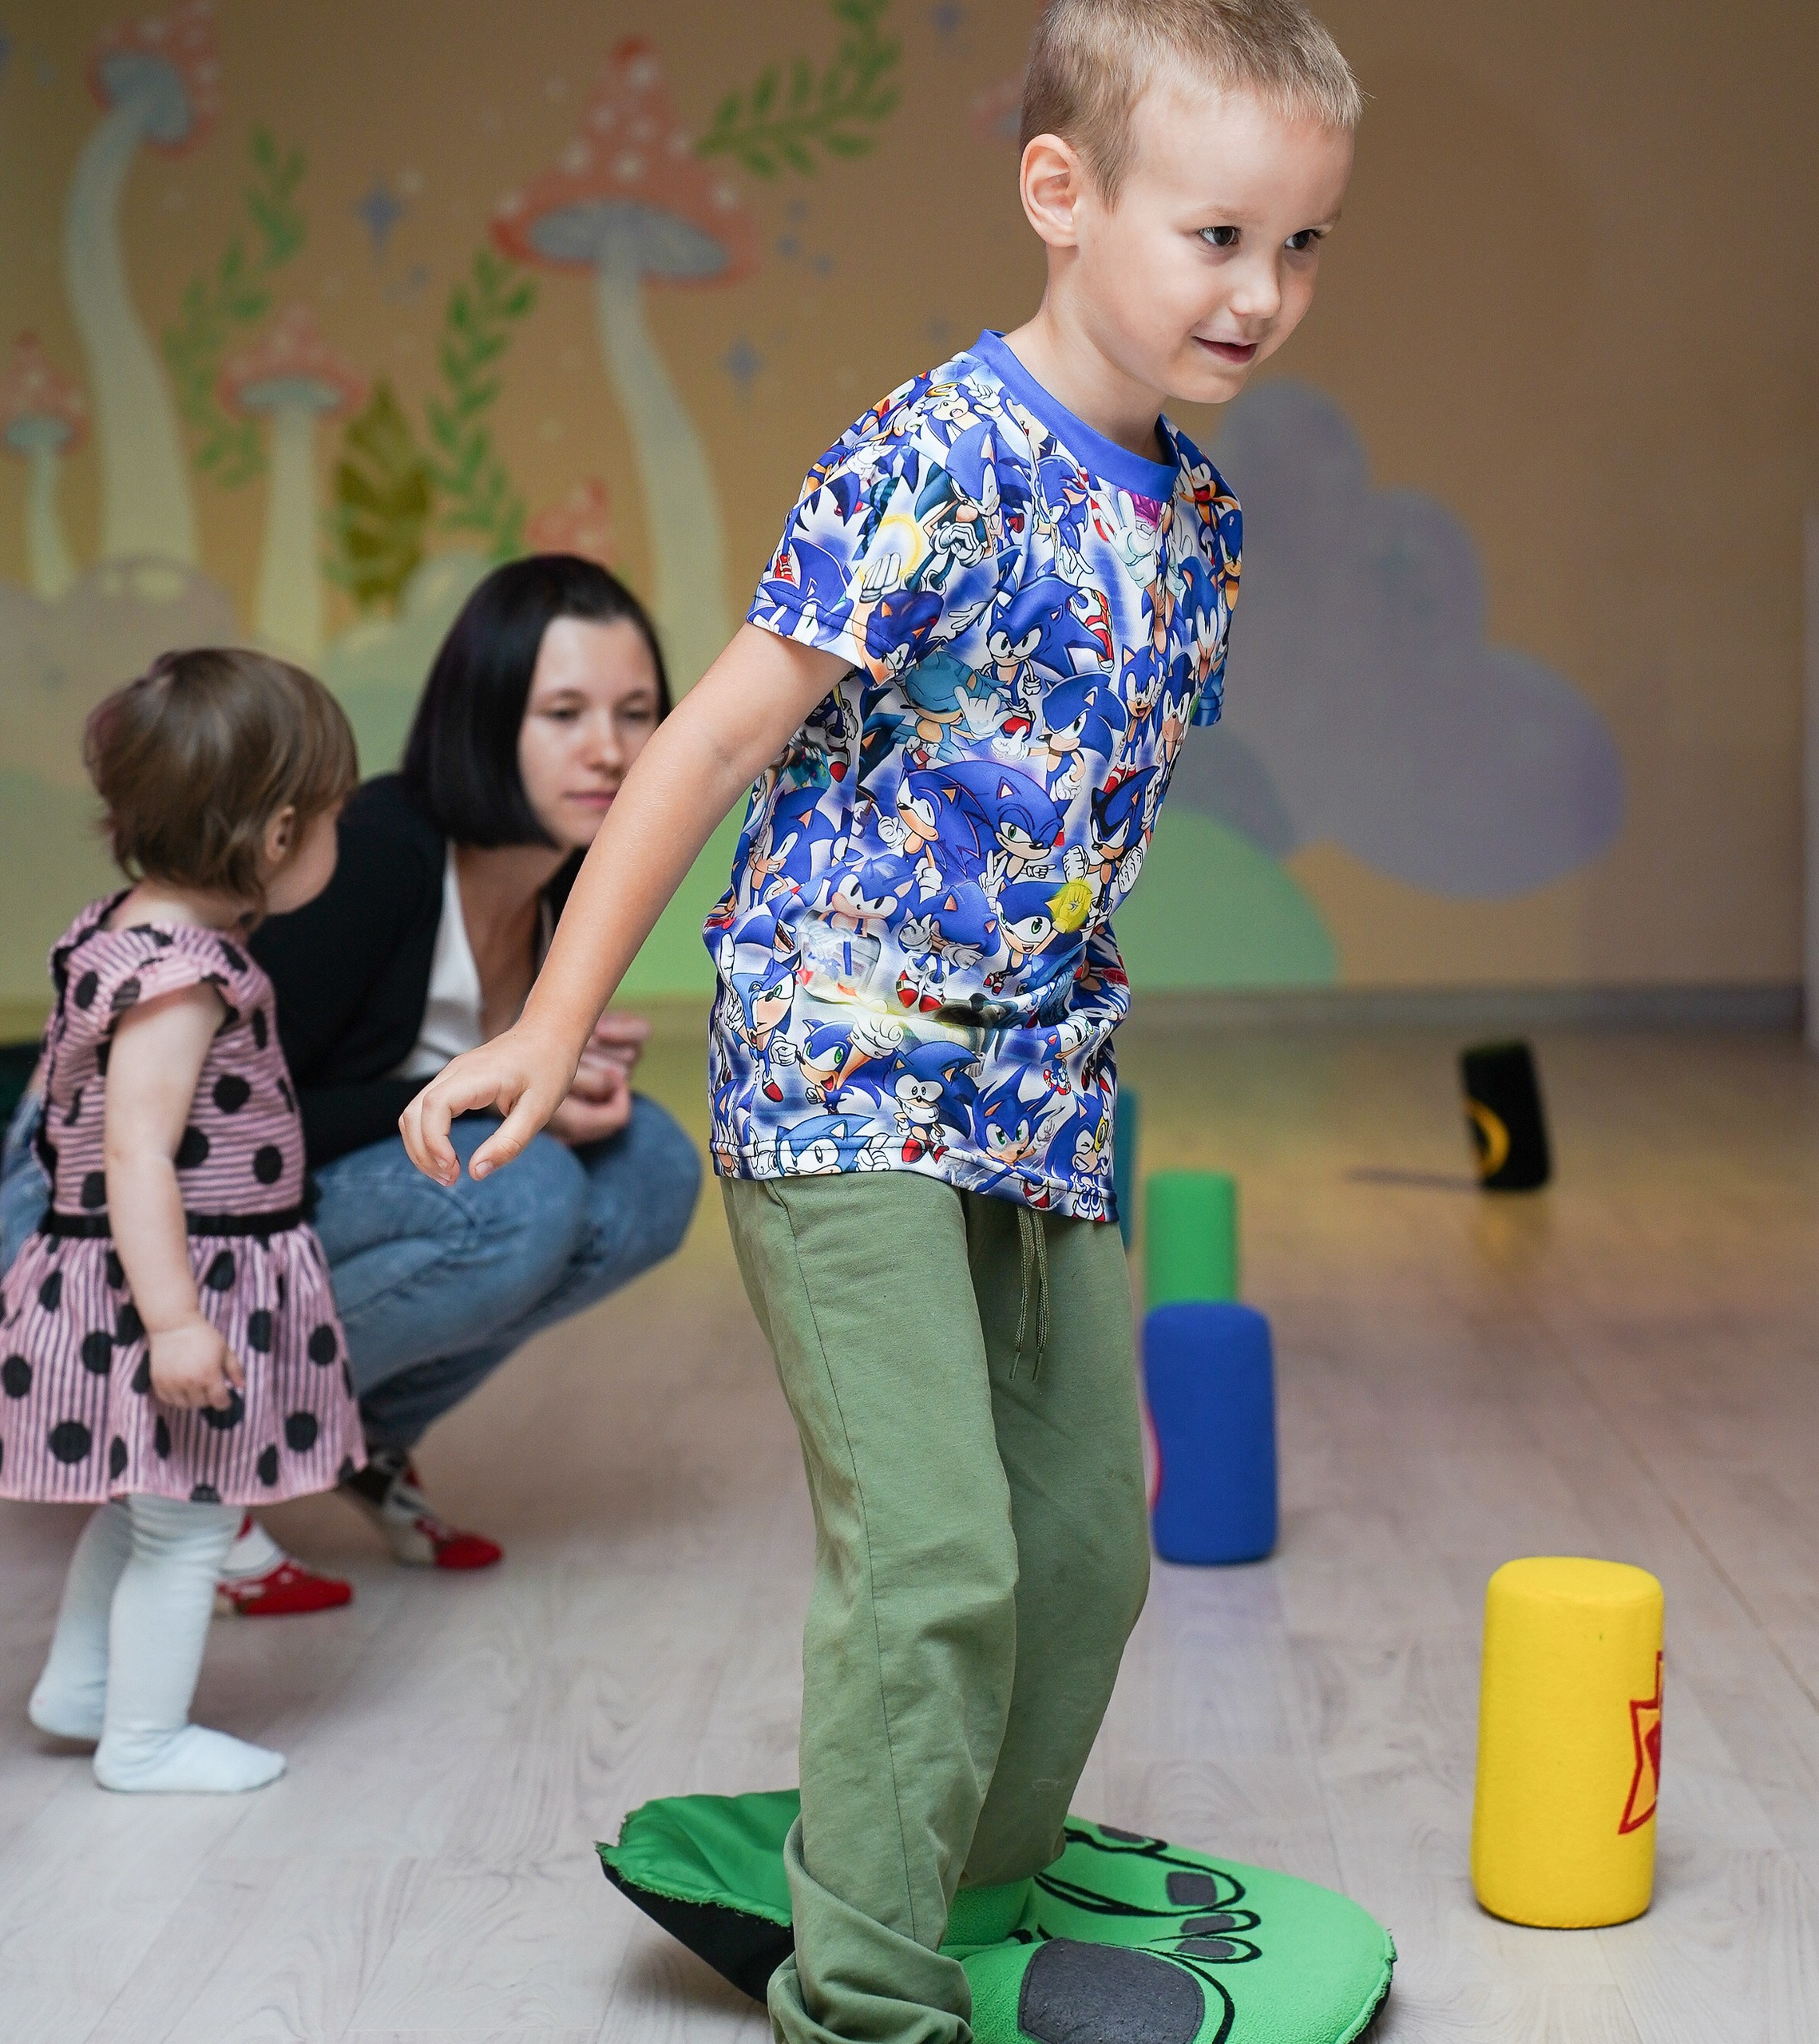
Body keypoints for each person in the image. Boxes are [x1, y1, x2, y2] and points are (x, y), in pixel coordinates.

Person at [402, 3, 1358, 2037]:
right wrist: (548, 1019)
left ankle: (966, 1888)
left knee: (1082, 1550)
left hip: (1039, 1082)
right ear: (1057, 192)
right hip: (839, 1058)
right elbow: (703, 746)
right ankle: (863, 1999)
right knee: (932, 1555)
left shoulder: (1198, 519)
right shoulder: (931, 454)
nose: (1259, 292)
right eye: (1213, 236)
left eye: (1299, 245)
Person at [0, 556, 703, 1608]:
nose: (610, 748)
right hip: (99, 1198)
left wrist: (546, 1079)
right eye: (564, 713)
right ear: (483, 720)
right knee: (520, 1191)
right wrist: (491, 1096)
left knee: (652, 1164)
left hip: (242, 1182)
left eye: (637, 713)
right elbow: (212, 1128)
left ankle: (359, 1437)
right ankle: (194, 1453)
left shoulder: (559, 879)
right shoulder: (365, 857)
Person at [0, 650, 365, 1792]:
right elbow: (135, 1153)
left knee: (146, 1502)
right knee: (190, 1520)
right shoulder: (181, 979)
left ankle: (82, 1691)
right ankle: (143, 1742)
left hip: (158, 1273)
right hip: (173, 1280)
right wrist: (178, 1322)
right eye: (330, 817)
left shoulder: (125, 928)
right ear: (278, 834)